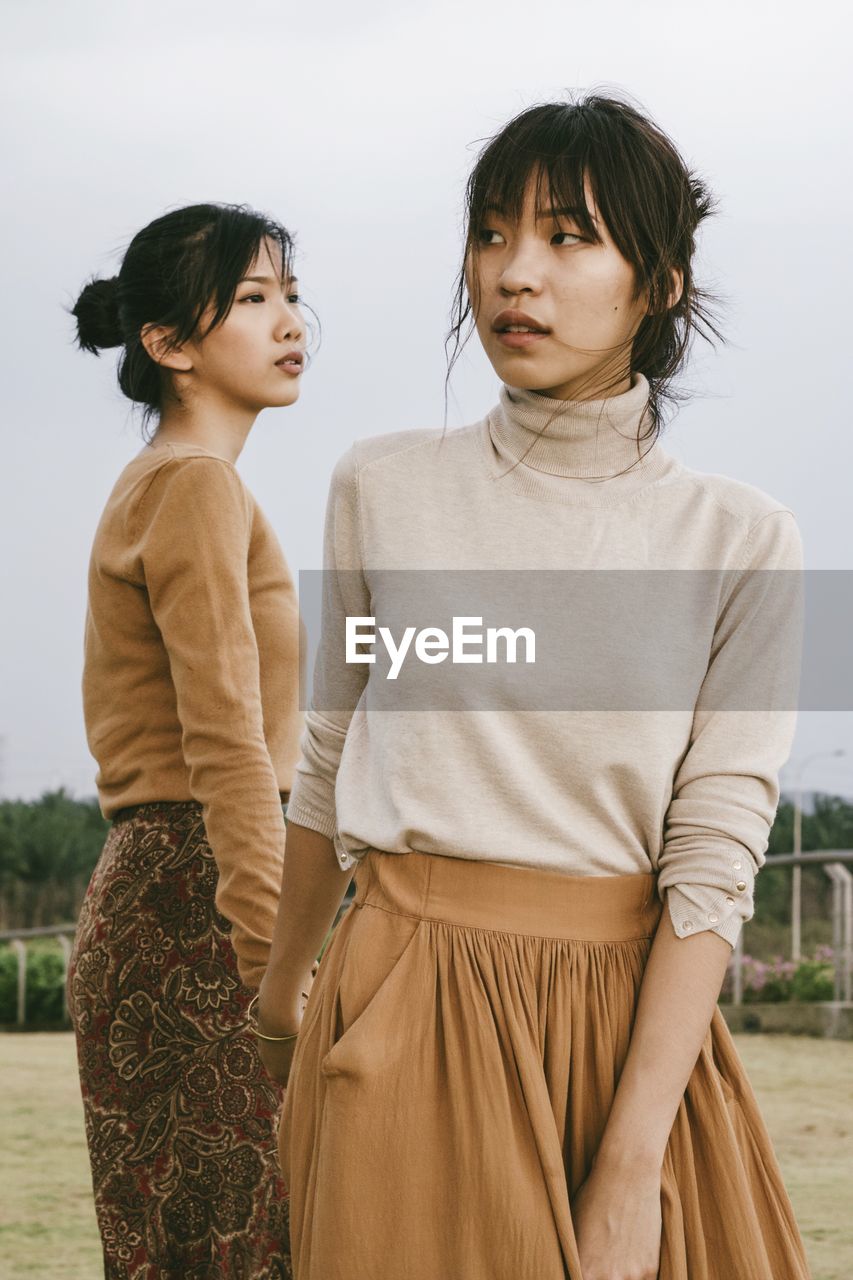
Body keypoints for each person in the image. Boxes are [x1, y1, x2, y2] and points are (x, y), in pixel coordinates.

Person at [255, 97, 811, 1280]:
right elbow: (329, 750)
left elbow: (713, 856)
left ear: (657, 281)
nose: (516, 274)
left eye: (567, 237)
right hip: (400, 1006)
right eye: (492, 232)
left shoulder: (742, 539)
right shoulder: (383, 486)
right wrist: (273, 1003)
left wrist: (628, 1160)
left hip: (621, 1041)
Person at [66, 202, 307, 1279]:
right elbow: (227, 745)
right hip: (197, 908)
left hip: (164, 894)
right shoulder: (194, 487)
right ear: (168, 344)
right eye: (253, 299)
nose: (288, 319)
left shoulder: (176, 486)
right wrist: (275, 969)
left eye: (292, 294)